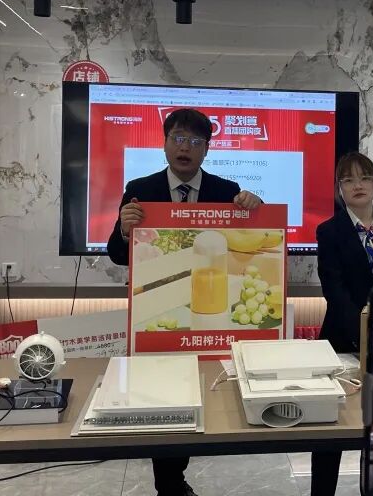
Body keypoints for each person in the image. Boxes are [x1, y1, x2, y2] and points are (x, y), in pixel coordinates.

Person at [107, 107, 262, 496]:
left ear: (207, 149)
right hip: (161, 309)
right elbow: (117, 253)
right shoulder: (141, 189)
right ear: (164, 143)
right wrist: (125, 230)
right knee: (164, 398)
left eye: (195, 141)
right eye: (178, 138)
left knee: (206, 395)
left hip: (211, 312)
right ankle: (170, 483)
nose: (185, 148)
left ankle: (176, 475)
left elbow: (246, 245)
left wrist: (255, 209)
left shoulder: (226, 191)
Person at [311, 151, 373, 496]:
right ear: (339, 189)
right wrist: (362, 333)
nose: (358, 185)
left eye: (364, 177)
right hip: (342, 339)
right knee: (331, 427)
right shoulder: (329, 231)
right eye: (348, 179)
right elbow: (334, 289)